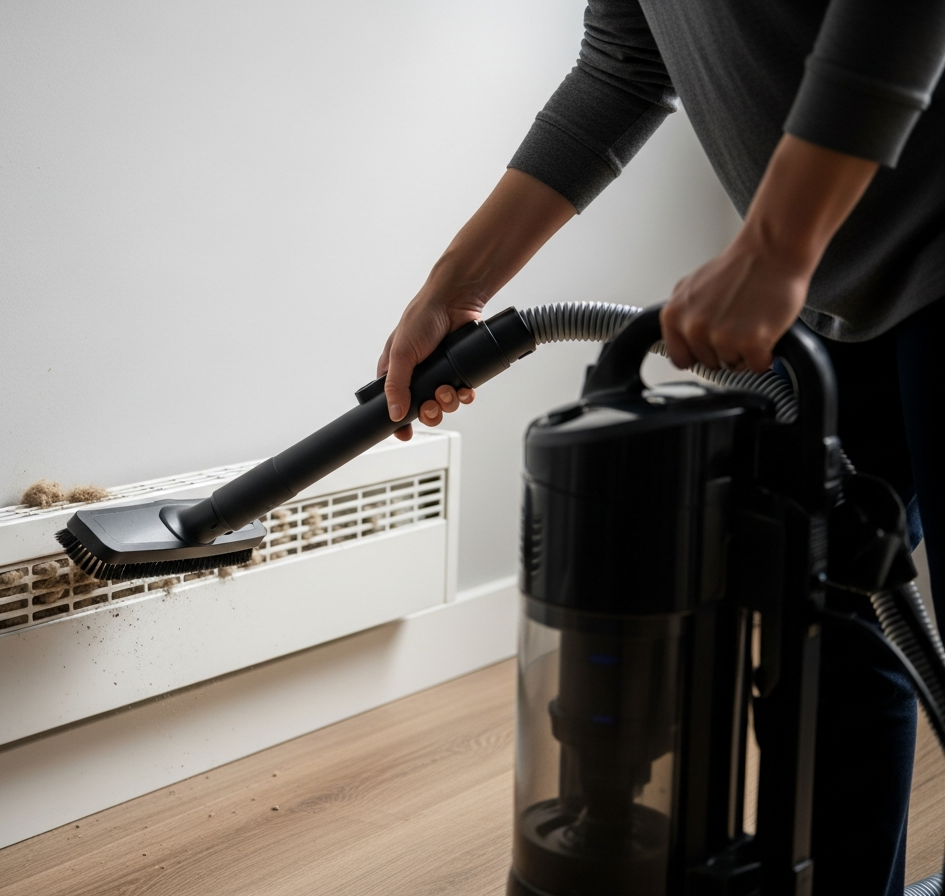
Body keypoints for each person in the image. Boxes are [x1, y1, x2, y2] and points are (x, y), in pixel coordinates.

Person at [377, 3, 945, 893]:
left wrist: (774, 244)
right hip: (842, 279)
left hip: (878, 244)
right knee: (838, 627)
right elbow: (625, 65)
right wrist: (456, 287)